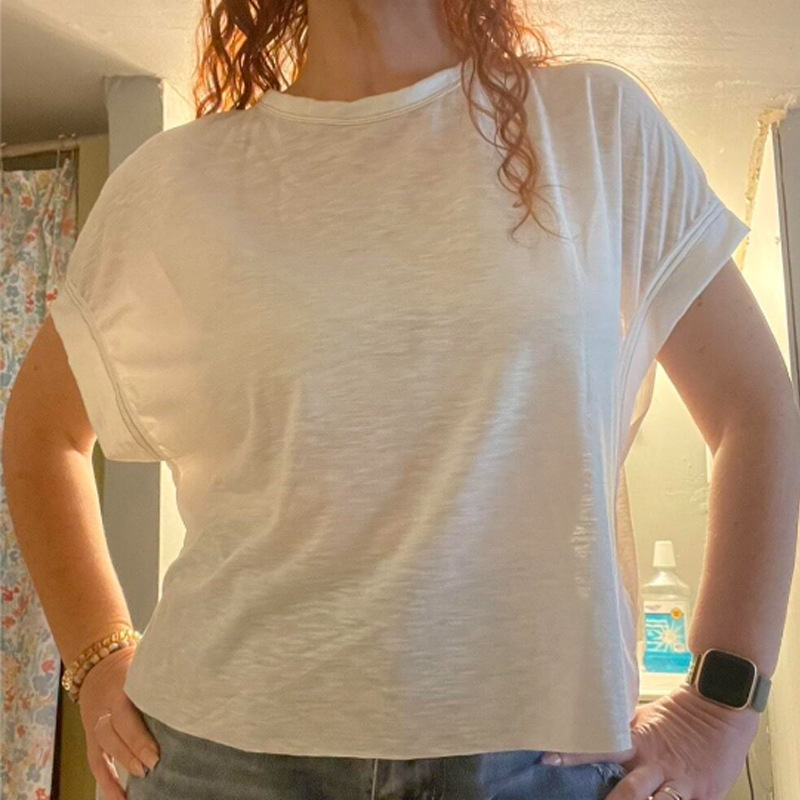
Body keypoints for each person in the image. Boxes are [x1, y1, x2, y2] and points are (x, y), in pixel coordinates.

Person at [6, 0, 800, 799]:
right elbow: (41, 432)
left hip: (531, 767)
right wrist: (96, 654)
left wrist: (718, 713)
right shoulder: (175, 181)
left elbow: (756, 408)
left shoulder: (595, 125)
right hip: (214, 760)